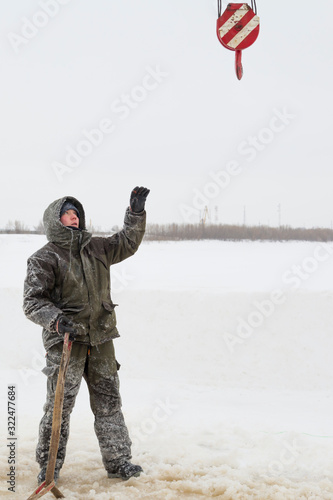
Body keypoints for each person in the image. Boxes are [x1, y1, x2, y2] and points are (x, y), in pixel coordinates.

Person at [23, 186, 150, 484]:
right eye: (66, 213)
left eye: (76, 213)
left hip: (102, 339)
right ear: (55, 220)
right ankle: (50, 464)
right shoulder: (44, 258)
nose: (73, 217)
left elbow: (128, 242)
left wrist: (135, 213)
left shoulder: (98, 248)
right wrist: (56, 320)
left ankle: (119, 461)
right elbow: (32, 301)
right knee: (59, 404)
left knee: (109, 402)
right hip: (67, 342)